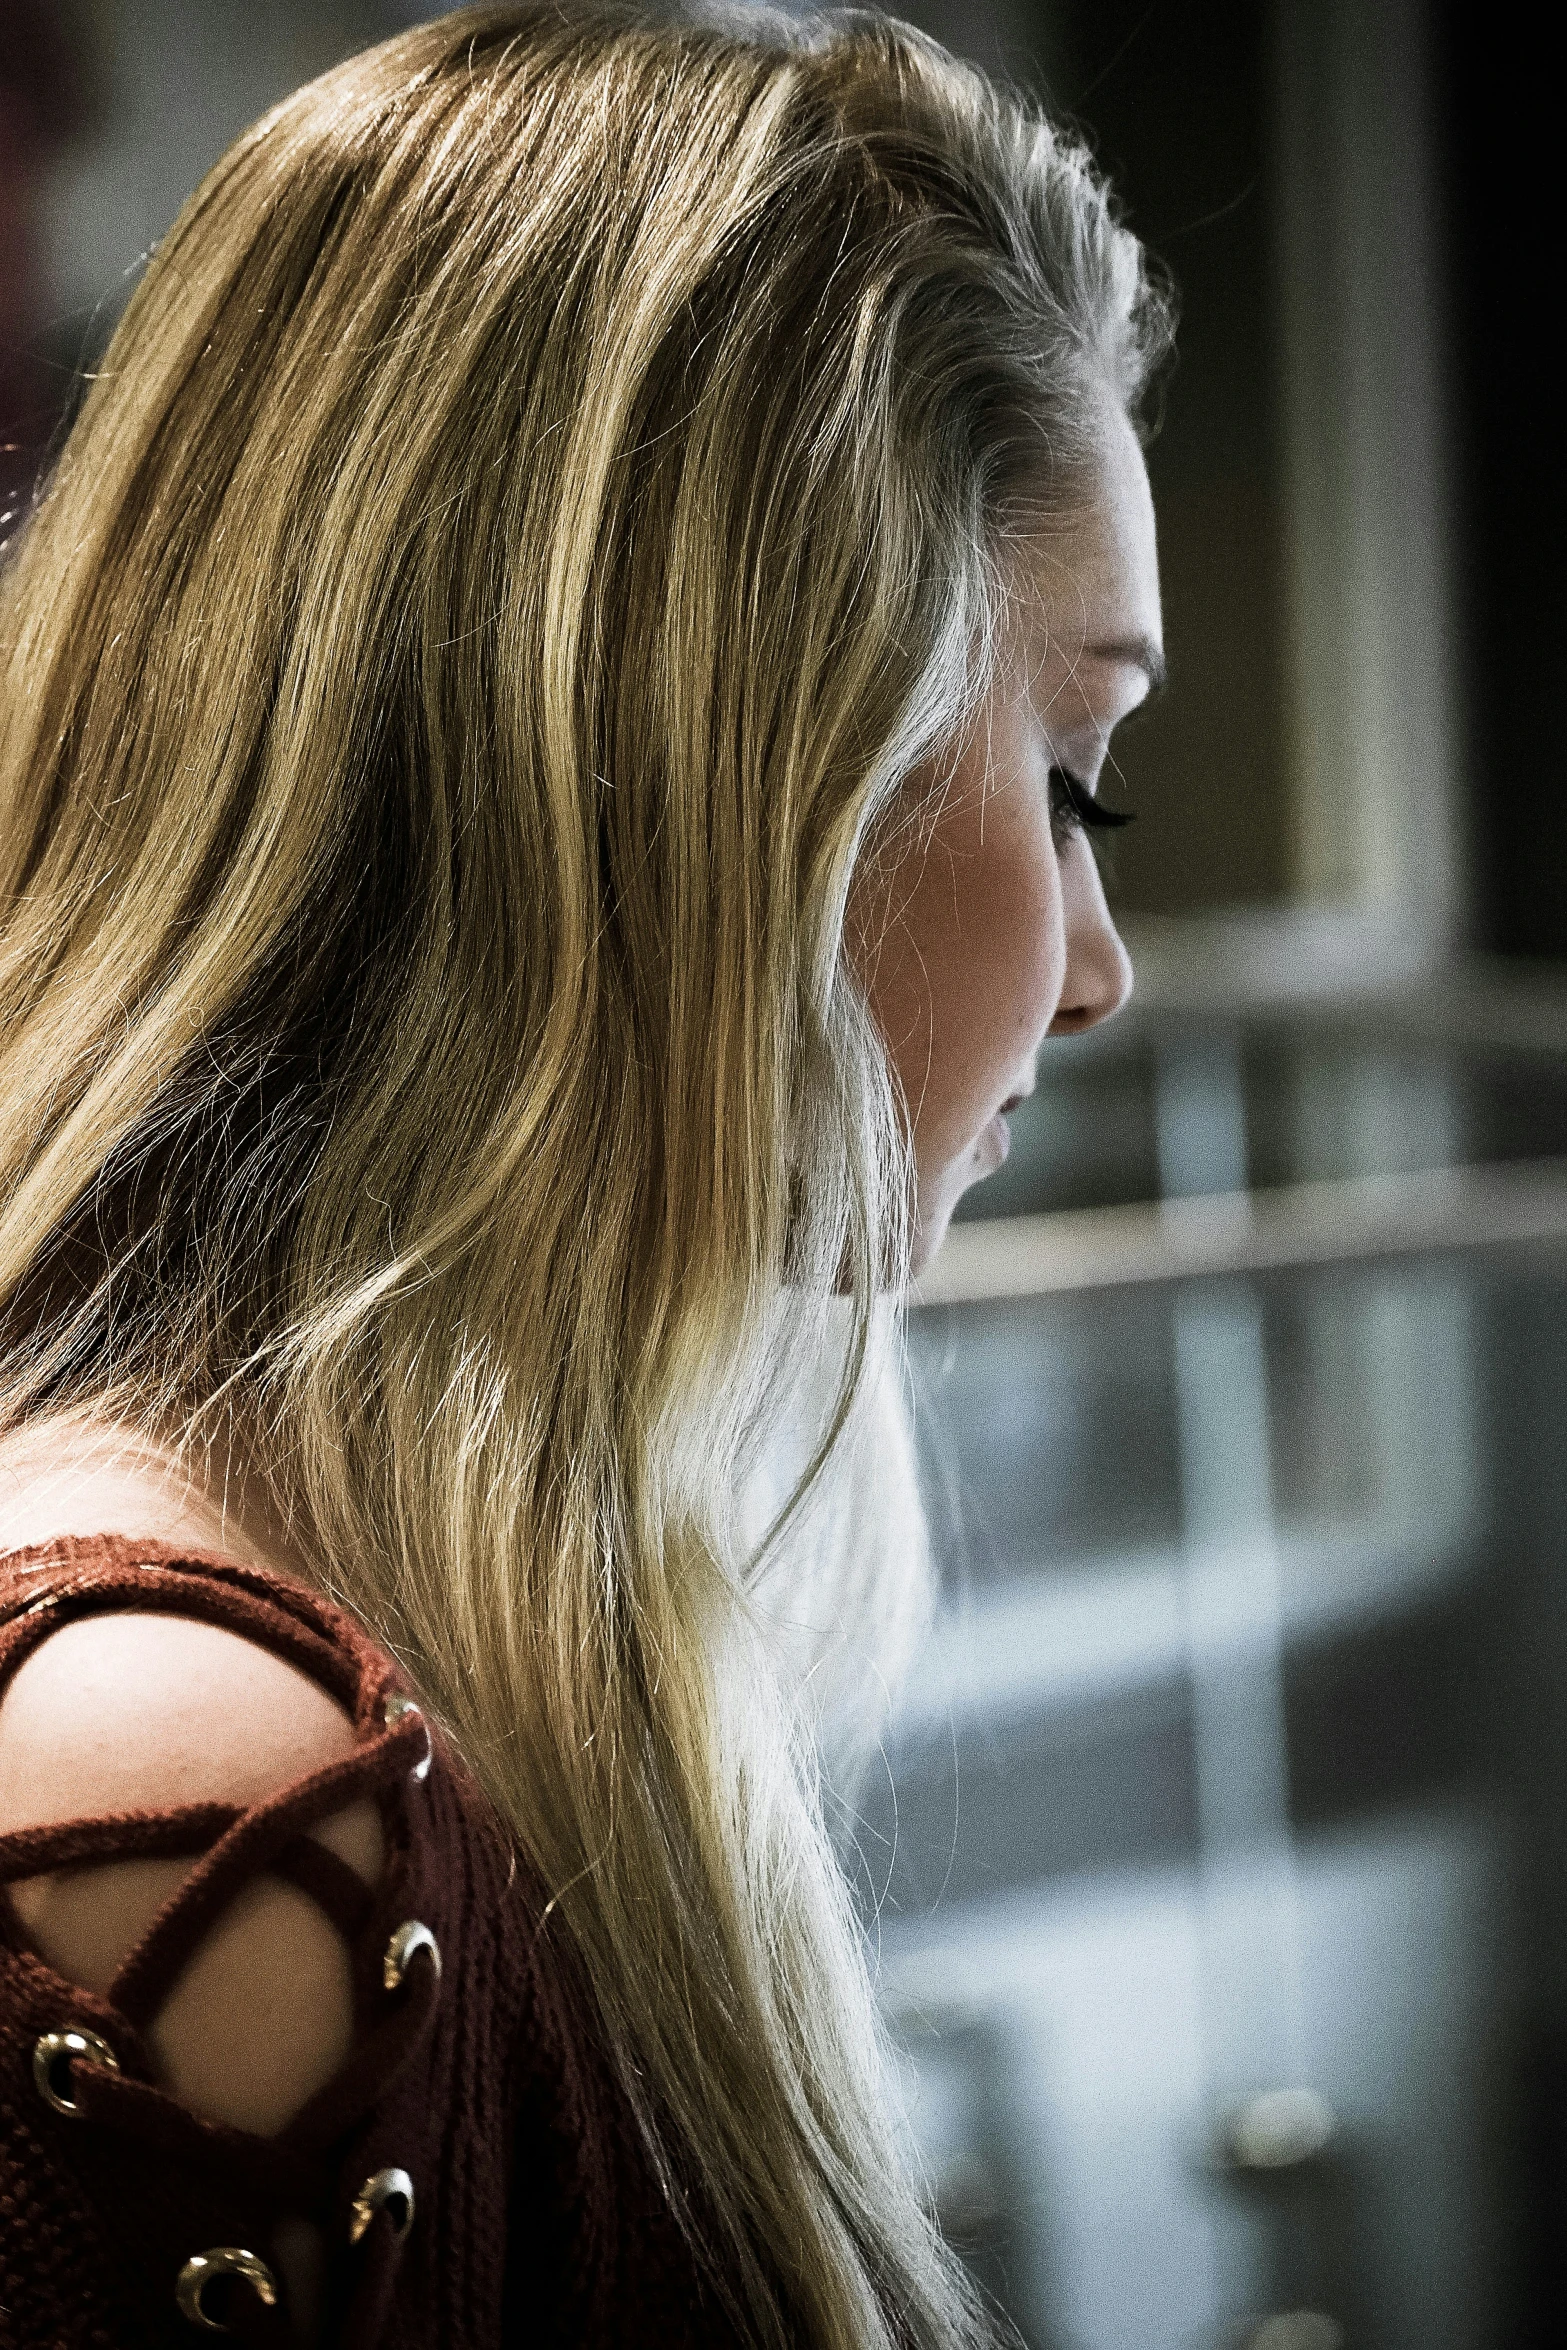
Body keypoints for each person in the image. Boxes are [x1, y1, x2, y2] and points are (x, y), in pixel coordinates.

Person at [0, 4, 1166, 2342]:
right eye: (1075, 772)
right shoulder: (187, 1779)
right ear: (736, 760)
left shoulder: (388, 1645)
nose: (1099, 967)